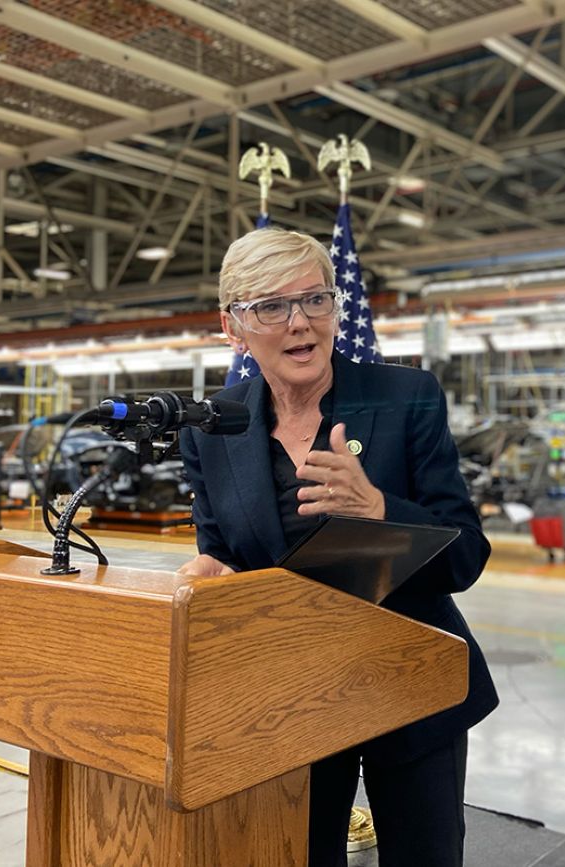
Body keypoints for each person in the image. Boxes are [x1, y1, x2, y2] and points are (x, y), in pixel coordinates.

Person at [177, 227, 498, 867]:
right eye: (271, 306)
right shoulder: (215, 422)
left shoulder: (407, 398)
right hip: (290, 699)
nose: (300, 323)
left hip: (409, 682)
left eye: (315, 300)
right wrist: (211, 575)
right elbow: (222, 552)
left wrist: (377, 509)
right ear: (232, 325)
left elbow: (466, 556)